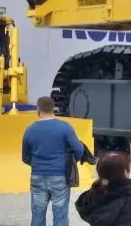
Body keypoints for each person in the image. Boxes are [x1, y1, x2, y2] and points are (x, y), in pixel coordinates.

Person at [22, 96, 86, 226]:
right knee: (60, 215)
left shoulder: (30, 130)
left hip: (37, 176)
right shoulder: (65, 127)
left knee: (37, 215)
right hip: (60, 177)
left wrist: (37, 165)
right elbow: (79, 149)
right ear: (53, 109)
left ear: (38, 109)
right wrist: (71, 162)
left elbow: (25, 157)